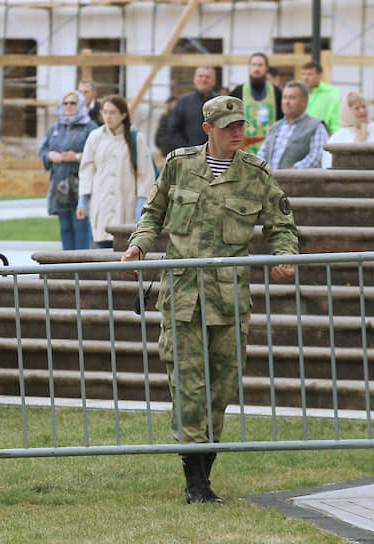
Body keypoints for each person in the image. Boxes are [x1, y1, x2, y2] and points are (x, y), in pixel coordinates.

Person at [122, 95, 298, 505]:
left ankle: (204, 472)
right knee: (188, 388)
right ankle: (195, 482)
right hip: (183, 296)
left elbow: (281, 223)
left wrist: (285, 254)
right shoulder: (179, 165)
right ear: (208, 129)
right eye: (229, 126)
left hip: (228, 300)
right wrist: (139, 246)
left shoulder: (256, 174)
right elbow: (152, 214)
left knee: (219, 390)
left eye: (240, 125)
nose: (238, 132)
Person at [77, 95, 155, 248]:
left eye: (112, 112)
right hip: (101, 201)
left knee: (126, 246)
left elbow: (145, 174)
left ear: (123, 115)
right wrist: (83, 200)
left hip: (127, 203)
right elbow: (87, 169)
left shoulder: (135, 138)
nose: (108, 116)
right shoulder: (95, 137)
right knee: (103, 245)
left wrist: (141, 203)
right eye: (105, 112)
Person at [38, 91, 96, 250]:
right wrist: (50, 156)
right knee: (65, 227)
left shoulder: (90, 128)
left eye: (73, 103)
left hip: (80, 186)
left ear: (81, 106)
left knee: (81, 226)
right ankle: (67, 267)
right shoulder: (56, 128)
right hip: (60, 185)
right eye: (65, 103)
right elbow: (42, 150)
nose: (68, 106)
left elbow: (98, 155)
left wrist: (76, 157)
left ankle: (82, 268)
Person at [257, 80, 329, 170]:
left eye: (291, 98)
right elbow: (262, 154)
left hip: (299, 182)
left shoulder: (316, 126)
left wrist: (293, 171)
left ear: (304, 101)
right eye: (284, 97)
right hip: (270, 181)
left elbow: (317, 157)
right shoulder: (275, 126)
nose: (286, 102)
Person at [322, 90, 374, 168]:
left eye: (364, 106)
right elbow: (328, 164)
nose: (362, 111)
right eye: (357, 108)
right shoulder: (338, 137)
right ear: (347, 112)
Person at [230, 53, 283, 155]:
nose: (256, 68)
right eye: (253, 65)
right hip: (244, 150)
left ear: (266, 68)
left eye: (260, 65)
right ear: (249, 67)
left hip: (272, 149)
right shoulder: (238, 92)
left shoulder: (277, 92)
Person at [167, 66, 218, 150]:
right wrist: (187, 151)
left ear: (214, 81)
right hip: (190, 156)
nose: (204, 79)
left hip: (217, 156)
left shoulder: (220, 102)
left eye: (207, 77)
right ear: (194, 79)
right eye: (200, 76)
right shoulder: (183, 102)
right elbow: (173, 131)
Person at [301, 62, 340, 134]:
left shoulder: (331, 96)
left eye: (310, 74)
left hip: (322, 137)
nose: (306, 77)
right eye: (303, 74)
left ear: (319, 76)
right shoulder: (300, 94)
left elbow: (336, 122)